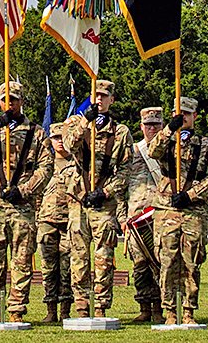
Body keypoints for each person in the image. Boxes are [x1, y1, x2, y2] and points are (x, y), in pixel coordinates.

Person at [0, 80, 50, 324]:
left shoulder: (36, 132)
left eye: (14, 99)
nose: (10, 104)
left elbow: (46, 167)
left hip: (21, 205)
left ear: (22, 102)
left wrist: (25, 190)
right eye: (6, 99)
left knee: (22, 260)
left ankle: (16, 310)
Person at [144, 95, 208, 326]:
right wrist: (169, 129)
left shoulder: (206, 145)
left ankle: (188, 310)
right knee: (167, 261)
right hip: (166, 210)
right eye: (179, 114)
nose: (183, 118)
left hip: (193, 211)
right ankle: (169, 311)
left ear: (194, 117)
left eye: (187, 114)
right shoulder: (166, 140)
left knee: (191, 261)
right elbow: (153, 152)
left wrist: (190, 195)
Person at [62, 78, 132, 318]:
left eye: (104, 96)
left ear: (112, 100)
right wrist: (86, 120)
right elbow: (69, 145)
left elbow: (125, 171)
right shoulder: (76, 122)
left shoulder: (120, 132)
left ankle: (101, 307)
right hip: (79, 201)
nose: (99, 100)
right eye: (96, 96)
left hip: (104, 203)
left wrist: (105, 192)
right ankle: (81, 306)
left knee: (104, 258)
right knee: (78, 257)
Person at [124, 106, 167, 323]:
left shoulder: (170, 150)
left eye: (156, 125)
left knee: (160, 264)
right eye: (148, 125)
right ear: (141, 127)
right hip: (136, 218)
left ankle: (160, 308)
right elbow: (122, 187)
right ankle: (144, 307)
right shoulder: (132, 152)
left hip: (162, 216)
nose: (152, 129)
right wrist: (123, 218)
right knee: (140, 266)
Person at [35, 122, 78, 323]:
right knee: (48, 268)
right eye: (55, 138)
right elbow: (35, 193)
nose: (59, 141)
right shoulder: (44, 164)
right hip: (46, 221)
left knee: (68, 267)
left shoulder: (77, 162)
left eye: (62, 137)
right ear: (50, 140)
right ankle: (51, 309)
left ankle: (65, 311)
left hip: (69, 220)